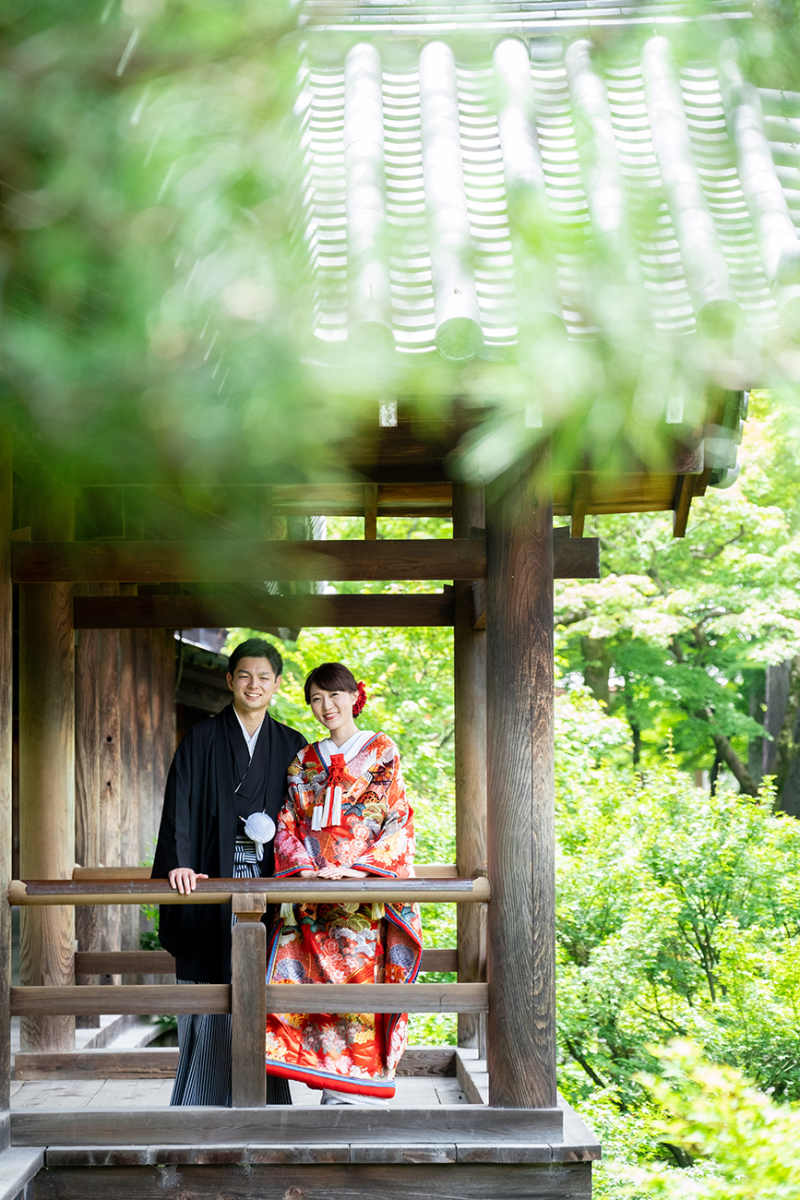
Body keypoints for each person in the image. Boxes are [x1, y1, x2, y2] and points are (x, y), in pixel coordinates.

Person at [151, 637, 306, 1106]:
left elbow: (304, 814)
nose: (253, 685)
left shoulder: (292, 744)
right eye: (244, 676)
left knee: (263, 981)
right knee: (209, 973)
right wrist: (179, 861)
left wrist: (307, 869)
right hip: (209, 877)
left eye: (263, 677)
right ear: (229, 680)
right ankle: (201, 1092)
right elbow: (178, 804)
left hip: (267, 883)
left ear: (277, 684)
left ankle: (266, 1092)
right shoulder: (202, 738)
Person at [264, 661, 422, 1104]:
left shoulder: (381, 751)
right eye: (315, 699)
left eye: (333, 695)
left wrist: (358, 871)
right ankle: (330, 1085)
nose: (325, 706)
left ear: (355, 696)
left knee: (358, 988)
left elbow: (397, 819)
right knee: (315, 992)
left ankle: (360, 1085)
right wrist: (307, 870)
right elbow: (288, 821)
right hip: (314, 893)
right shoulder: (304, 760)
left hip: (361, 895)